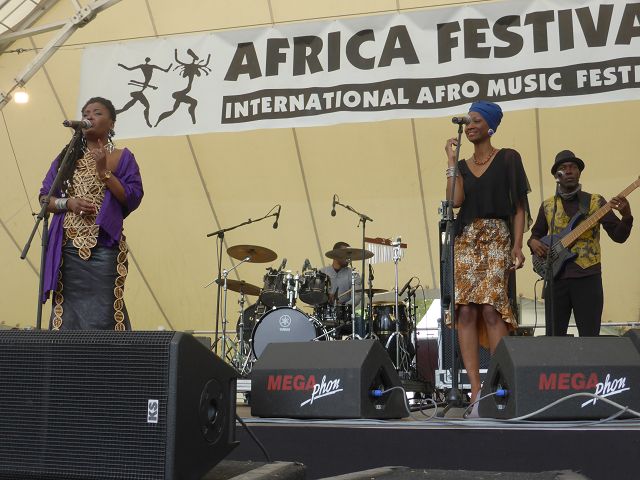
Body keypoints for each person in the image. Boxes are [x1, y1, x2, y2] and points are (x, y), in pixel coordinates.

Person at [444, 100, 531, 411]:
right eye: (468, 121)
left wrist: (517, 245)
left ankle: (497, 381)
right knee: (466, 312)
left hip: (496, 237)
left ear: (491, 126)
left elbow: (519, 208)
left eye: (476, 120)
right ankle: (476, 389)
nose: (470, 126)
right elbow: (455, 201)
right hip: (466, 239)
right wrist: (451, 161)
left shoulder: (508, 157)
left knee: (492, 309)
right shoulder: (462, 166)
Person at [39, 97, 144, 330]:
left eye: (97, 113)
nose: (89, 117)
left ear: (112, 124)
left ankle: (109, 353)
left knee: (106, 310)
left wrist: (104, 171)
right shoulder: (67, 158)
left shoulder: (122, 156)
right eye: (86, 113)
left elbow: (132, 197)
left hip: (104, 245)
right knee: (67, 316)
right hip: (68, 246)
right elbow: (45, 199)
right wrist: (68, 203)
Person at [527, 150, 633, 337]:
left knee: (590, 337)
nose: (569, 171)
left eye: (573, 167)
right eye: (563, 168)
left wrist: (626, 216)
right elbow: (535, 235)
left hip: (588, 277)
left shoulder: (595, 202)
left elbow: (619, 236)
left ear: (579, 172)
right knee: (554, 339)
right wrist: (533, 243)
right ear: (557, 175)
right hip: (556, 279)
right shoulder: (548, 205)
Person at [320, 241, 362, 306]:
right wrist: (326, 298)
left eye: (349, 254)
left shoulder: (354, 274)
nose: (348, 257)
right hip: (324, 310)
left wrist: (343, 305)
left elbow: (357, 297)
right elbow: (315, 296)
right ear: (335, 254)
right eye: (345, 253)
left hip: (344, 310)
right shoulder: (322, 272)